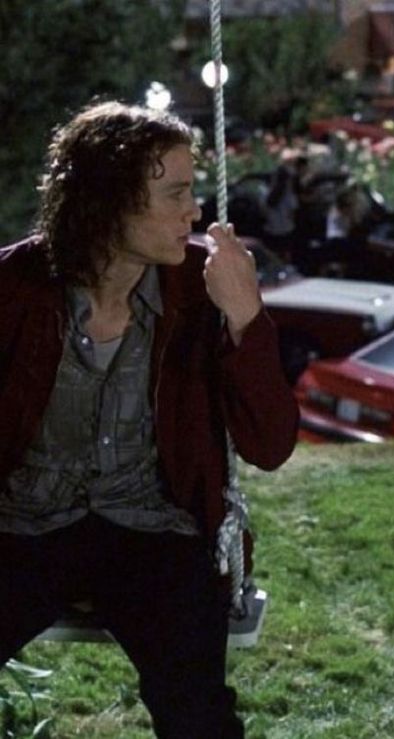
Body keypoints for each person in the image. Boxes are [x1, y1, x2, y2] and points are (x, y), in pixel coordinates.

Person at [0, 100, 300, 738]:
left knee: (198, 715)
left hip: (152, 531)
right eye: (176, 194)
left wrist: (247, 318)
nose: (195, 211)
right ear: (109, 201)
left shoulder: (203, 287)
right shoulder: (17, 286)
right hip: (18, 528)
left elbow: (271, 446)